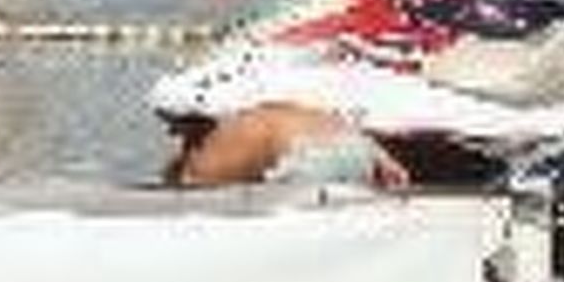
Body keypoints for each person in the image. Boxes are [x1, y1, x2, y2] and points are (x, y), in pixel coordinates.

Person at [165, 103, 410, 189]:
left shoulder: (209, 148)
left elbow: (192, 196)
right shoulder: (263, 110)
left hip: (308, 157)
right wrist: (377, 154)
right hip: (355, 145)